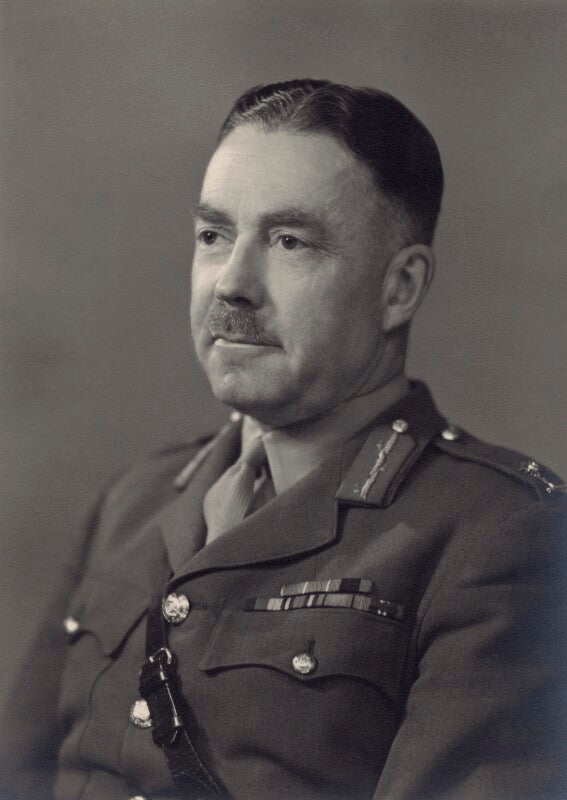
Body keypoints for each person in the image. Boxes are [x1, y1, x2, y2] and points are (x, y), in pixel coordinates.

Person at [1, 79, 565, 800]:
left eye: (289, 241)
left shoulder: (500, 532)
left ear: (399, 288)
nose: (231, 285)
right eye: (214, 236)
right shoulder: (134, 502)